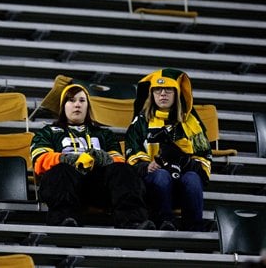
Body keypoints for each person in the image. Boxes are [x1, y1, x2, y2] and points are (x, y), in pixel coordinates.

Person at [31, 83, 155, 229]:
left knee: (123, 170)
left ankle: (133, 221)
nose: (77, 105)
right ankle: (64, 221)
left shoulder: (104, 134)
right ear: (63, 106)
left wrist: (105, 159)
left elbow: (119, 161)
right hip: (65, 187)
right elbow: (39, 161)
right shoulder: (48, 132)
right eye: (71, 100)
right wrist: (68, 159)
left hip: (97, 188)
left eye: (82, 101)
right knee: (61, 171)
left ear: (88, 106)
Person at [124, 68, 212, 231]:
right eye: (158, 89)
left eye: (168, 89)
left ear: (177, 93)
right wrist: (147, 166)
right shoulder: (140, 122)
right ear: (152, 94)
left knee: (192, 178)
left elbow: (205, 157)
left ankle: (194, 226)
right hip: (153, 185)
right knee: (161, 175)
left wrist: (185, 162)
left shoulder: (192, 123)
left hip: (182, 181)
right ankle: (165, 221)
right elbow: (131, 152)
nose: (162, 94)